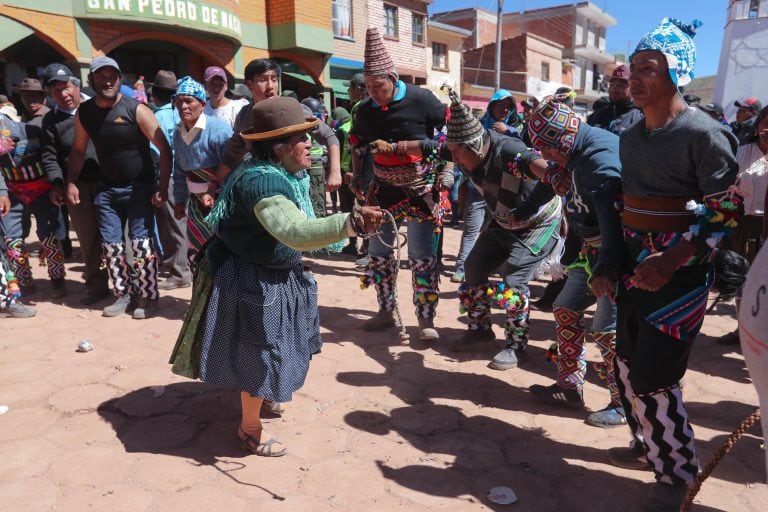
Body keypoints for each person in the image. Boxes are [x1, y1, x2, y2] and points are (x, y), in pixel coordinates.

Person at [170, 96, 383, 456]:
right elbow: (294, 232)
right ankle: (249, 428)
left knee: (272, 346)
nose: (311, 146)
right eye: (303, 139)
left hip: (267, 273)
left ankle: (260, 398)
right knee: (260, 352)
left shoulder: (276, 172)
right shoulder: (262, 184)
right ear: (281, 147)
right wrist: (351, 222)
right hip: (253, 279)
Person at [598, 19, 740, 511]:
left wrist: (676, 256)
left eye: (648, 69)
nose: (634, 78)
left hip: (679, 275)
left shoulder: (705, 134)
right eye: (632, 68)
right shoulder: (630, 136)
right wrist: (610, 258)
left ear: (675, 74)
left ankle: (677, 477)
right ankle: (650, 445)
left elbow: (726, 213)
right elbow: (623, 203)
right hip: (638, 269)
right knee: (625, 364)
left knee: (654, 376)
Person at [383, 89, 561, 368]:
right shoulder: (460, 148)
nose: (454, 159)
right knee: (474, 268)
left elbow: (549, 174)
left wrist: (526, 209)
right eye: (451, 152)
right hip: (504, 222)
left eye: (457, 153)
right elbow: (429, 147)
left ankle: (515, 344)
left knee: (513, 279)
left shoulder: (509, 152)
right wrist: (394, 147)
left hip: (537, 223)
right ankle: (479, 330)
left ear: (475, 146)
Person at [524, 96, 625, 427]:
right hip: (590, 251)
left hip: (617, 254)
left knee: (607, 331)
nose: (549, 158)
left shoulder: (598, 160)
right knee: (565, 309)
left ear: (563, 137)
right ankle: (569, 386)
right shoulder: (573, 153)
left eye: (550, 150)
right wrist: (521, 213)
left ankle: (623, 403)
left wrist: (607, 269)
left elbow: (614, 219)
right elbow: (554, 179)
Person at [348, 27, 449, 342]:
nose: (373, 93)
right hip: (382, 191)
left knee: (421, 254)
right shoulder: (364, 111)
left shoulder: (423, 100)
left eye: (378, 86)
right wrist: (357, 177)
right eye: (368, 87)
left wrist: (444, 169)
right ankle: (385, 309)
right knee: (378, 252)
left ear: (393, 78)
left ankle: (425, 318)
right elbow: (357, 143)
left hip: (421, 190)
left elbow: (448, 136)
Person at [67, 56, 172, 319]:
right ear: (91, 81)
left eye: (111, 76)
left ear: (119, 78)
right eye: (100, 77)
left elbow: (164, 149)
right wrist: (70, 181)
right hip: (107, 190)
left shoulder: (136, 109)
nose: (106, 81)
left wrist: (161, 186)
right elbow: (79, 150)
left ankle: (148, 296)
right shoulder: (85, 112)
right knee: (112, 246)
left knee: (140, 245)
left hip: (139, 188)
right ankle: (123, 294)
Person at [42, 63, 111, 305]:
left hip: (108, 181)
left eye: (66, 87)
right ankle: (97, 286)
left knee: (116, 236)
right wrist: (57, 184)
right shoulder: (51, 120)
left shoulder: (98, 106)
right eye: (56, 91)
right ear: (50, 95)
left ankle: (129, 285)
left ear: (76, 85)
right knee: (88, 237)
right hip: (76, 186)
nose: (63, 94)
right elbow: (49, 155)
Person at [0, 110, 67, 298]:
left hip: (42, 190)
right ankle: (24, 281)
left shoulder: (33, 132)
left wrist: (56, 185)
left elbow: (50, 157)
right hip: (12, 193)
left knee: (49, 236)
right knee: (12, 238)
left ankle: (57, 279)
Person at [170, 76, 233, 265]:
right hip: (197, 206)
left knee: (223, 248)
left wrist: (216, 192)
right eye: (179, 102)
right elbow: (179, 169)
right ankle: (204, 291)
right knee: (198, 250)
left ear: (202, 104)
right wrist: (180, 200)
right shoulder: (178, 132)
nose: (183, 106)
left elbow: (232, 167)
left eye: (189, 101)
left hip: (221, 201)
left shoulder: (219, 131)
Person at [148, 70, 192, 291]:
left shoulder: (157, 118)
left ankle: (180, 272)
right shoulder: (182, 114)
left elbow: (154, 153)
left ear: (154, 93)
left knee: (173, 224)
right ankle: (181, 266)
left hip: (168, 177)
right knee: (181, 222)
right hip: (186, 175)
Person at [587, 65, 644, 136]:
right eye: (612, 85)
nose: (614, 89)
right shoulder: (598, 115)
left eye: (621, 86)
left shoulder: (640, 119)